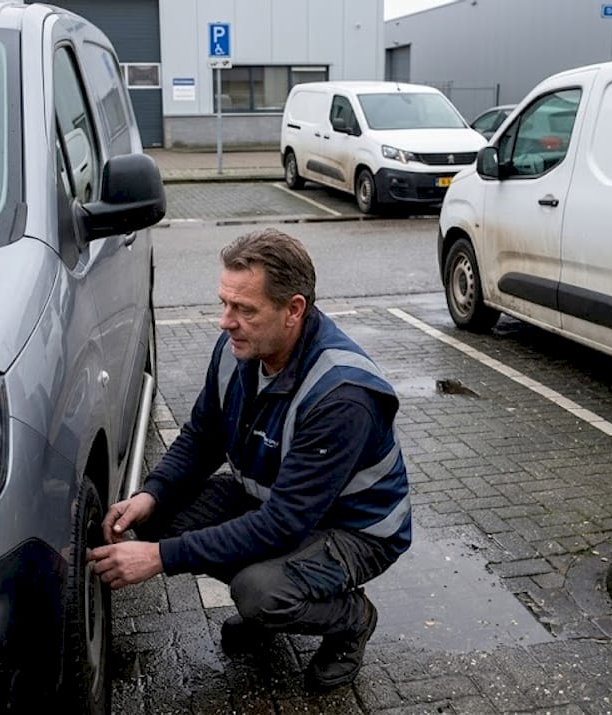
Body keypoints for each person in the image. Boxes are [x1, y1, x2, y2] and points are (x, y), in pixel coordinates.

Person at [87, 227, 412, 692]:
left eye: (244, 309)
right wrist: (150, 494)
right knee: (161, 515)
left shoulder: (342, 395)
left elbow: (283, 524)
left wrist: (159, 559)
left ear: (293, 310)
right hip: (278, 507)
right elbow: (202, 436)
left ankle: (350, 620)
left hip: (356, 530)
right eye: (224, 302)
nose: (225, 321)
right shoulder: (240, 348)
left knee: (260, 592)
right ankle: (275, 595)